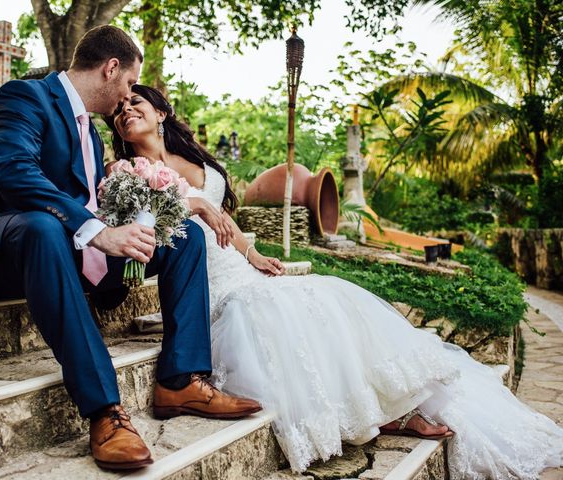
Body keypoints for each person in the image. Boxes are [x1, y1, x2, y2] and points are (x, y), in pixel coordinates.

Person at [107, 84, 563, 479]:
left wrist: (254, 253)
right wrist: (192, 206)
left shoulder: (196, 163)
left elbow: (225, 220)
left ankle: (396, 408)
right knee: (272, 317)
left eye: (135, 102)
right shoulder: (123, 174)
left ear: (162, 113)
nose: (125, 110)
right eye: (118, 109)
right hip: (208, 286)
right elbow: (148, 229)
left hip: (238, 267)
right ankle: (384, 416)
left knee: (331, 295)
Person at [0, 26, 260, 472]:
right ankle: (105, 410)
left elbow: (98, 205)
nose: (127, 96)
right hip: (1, 249)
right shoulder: (23, 97)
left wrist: (132, 228)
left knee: (179, 236)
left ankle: (180, 380)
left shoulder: (90, 136)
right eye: (129, 83)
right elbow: (13, 174)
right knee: (43, 227)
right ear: (111, 69)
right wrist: (98, 231)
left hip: (67, 250)